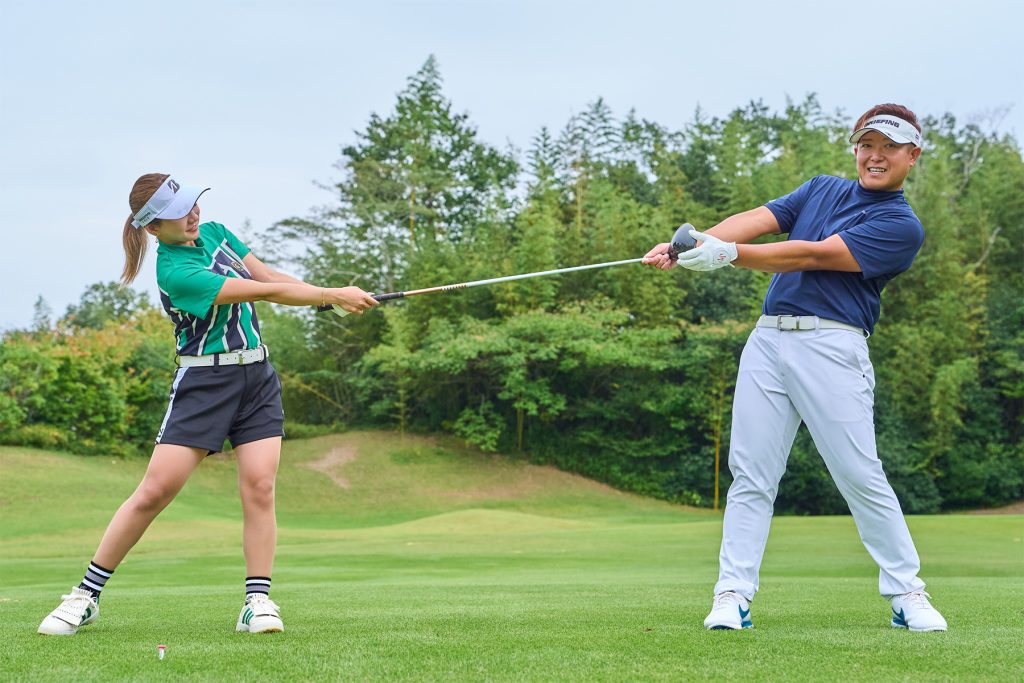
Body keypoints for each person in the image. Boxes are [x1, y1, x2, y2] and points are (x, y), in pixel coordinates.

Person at [643, 104, 948, 632]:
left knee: (859, 474)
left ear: (912, 156)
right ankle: (732, 595)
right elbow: (759, 219)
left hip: (832, 347)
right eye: (867, 145)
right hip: (768, 340)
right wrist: (693, 244)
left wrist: (728, 254)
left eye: (889, 147)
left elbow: (814, 254)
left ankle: (907, 593)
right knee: (751, 474)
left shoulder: (902, 226)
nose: (875, 156)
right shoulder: (821, 188)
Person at [37, 174, 378, 636]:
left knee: (260, 486)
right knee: (155, 492)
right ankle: (85, 595)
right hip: (204, 384)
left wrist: (327, 298)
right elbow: (264, 293)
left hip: (257, 378)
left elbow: (270, 278)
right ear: (153, 228)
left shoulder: (218, 233)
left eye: (192, 203)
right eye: (179, 212)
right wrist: (329, 294)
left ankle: (256, 601)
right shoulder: (174, 272)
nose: (192, 214)